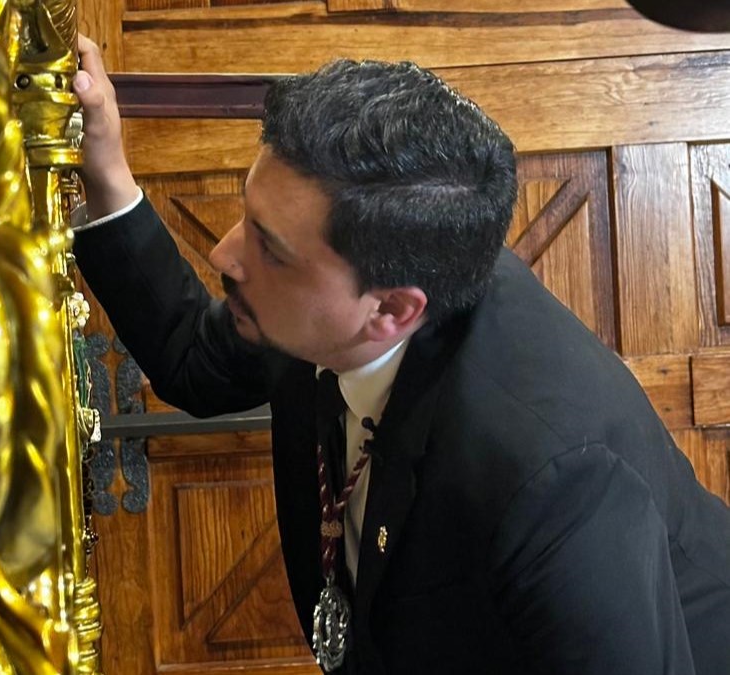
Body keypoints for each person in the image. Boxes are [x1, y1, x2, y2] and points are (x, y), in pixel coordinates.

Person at [71, 35, 730, 674]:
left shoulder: (551, 478)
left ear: (390, 311)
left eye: (269, 248)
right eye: (247, 216)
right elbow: (195, 360)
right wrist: (104, 166)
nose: (224, 254)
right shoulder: (330, 292)